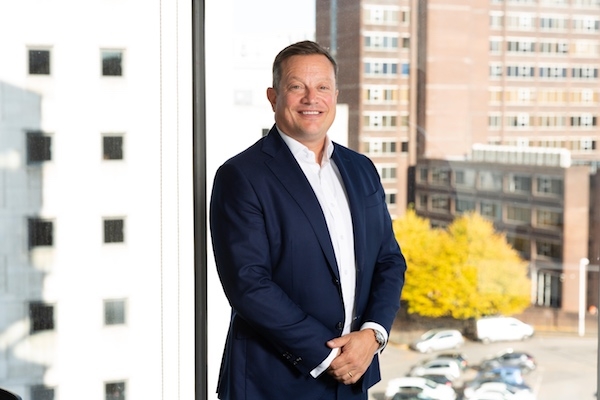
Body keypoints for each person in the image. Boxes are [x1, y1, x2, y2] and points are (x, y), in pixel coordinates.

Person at [209, 40, 407, 400]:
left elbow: (388, 260)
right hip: (272, 383)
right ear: (273, 96)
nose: (310, 98)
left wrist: (372, 335)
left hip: (353, 377)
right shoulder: (241, 175)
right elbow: (248, 284)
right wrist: (328, 353)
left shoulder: (361, 169)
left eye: (322, 87)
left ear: (335, 95)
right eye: (296, 87)